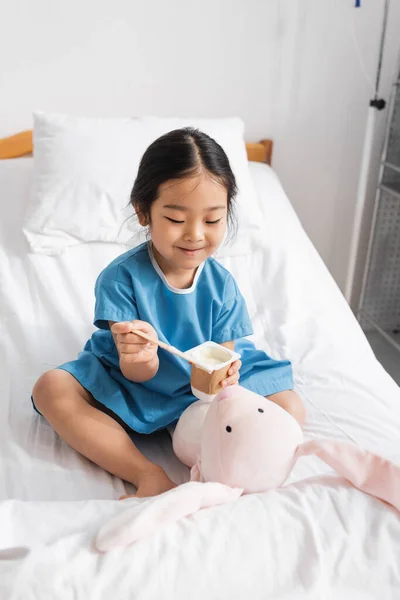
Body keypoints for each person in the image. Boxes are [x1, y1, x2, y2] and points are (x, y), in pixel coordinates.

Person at [32, 128, 306, 499]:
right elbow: (137, 371)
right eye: (176, 219)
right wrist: (140, 358)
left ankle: (226, 458)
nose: (194, 234)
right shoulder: (120, 278)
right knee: (51, 388)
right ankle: (146, 473)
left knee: (290, 405)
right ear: (144, 212)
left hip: (202, 388)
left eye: (211, 220)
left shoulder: (221, 285)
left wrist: (223, 383)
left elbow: (222, 358)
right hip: (136, 381)